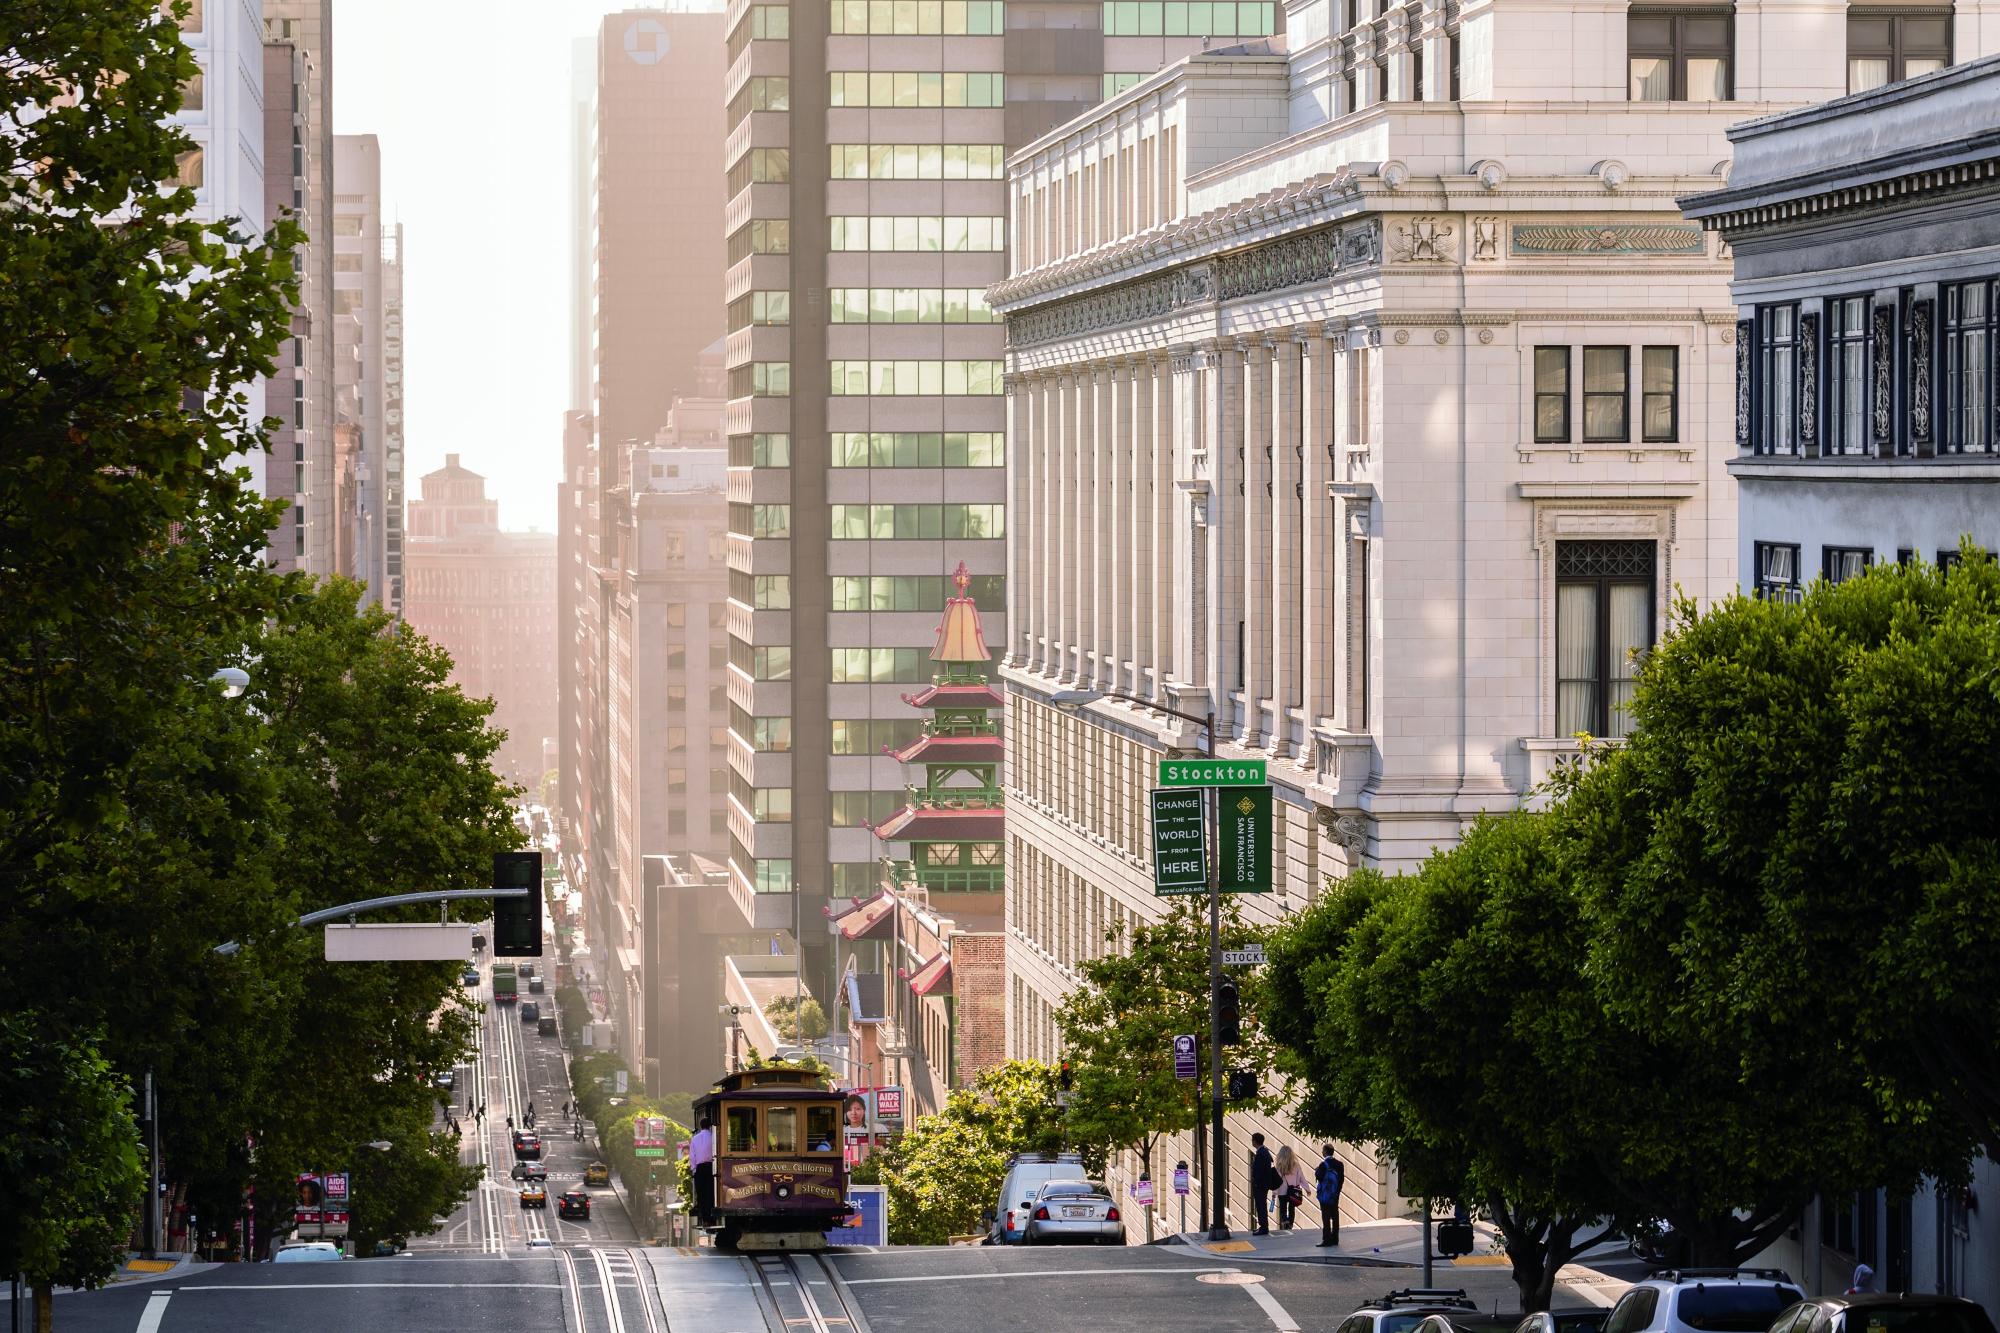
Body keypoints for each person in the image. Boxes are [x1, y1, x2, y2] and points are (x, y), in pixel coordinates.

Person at [1313, 1144, 1345, 1248]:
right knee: (1335, 1216)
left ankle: (1326, 1239)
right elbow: (1341, 1180)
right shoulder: (1340, 1164)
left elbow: (1319, 1176)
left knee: (1325, 1217)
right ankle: (1335, 1238)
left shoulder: (1323, 1164)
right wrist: (1337, 1192)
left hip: (1325, 1195)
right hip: (1335, 1194)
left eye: (1323, 1150)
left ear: (1325, 1152)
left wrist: (1317, 1170)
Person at [1274, 1145, 1309, 1232]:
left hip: (1282, 1191)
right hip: (1293, 1191)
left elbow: (1276, 1181)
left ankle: (1285, 1220)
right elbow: (1301, 1177)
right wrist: (1307, 1188)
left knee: (1283, 1208)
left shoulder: (1279, 1166)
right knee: (1291, 1208)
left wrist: (1274, 1193)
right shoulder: (1296, 1165)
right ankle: (1290, 1224)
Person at [689, 1115, 717, 1220]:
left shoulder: (695, 1138)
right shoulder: (713, 1136)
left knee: (701, 1193)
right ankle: (711, 1215)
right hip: (711, 1166)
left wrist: (694, 1170)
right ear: (710, 1126)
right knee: (710, 1191)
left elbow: (692, 1156)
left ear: (701, 1126)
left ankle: (704, 1216)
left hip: (699, 1167)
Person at [1248, 1133, 1276, 1236]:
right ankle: (1263, 1226)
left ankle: (1263, 1227)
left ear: (1255, 1141)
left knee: (1260, 1205)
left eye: (1252, 1140)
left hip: (1261, 1185)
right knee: (1261, 1205)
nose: (1252, 1142)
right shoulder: (1265, 1151)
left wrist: (1256, 1182)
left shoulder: (1261, 1153)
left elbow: (1259, 1170)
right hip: (1264, 1184)